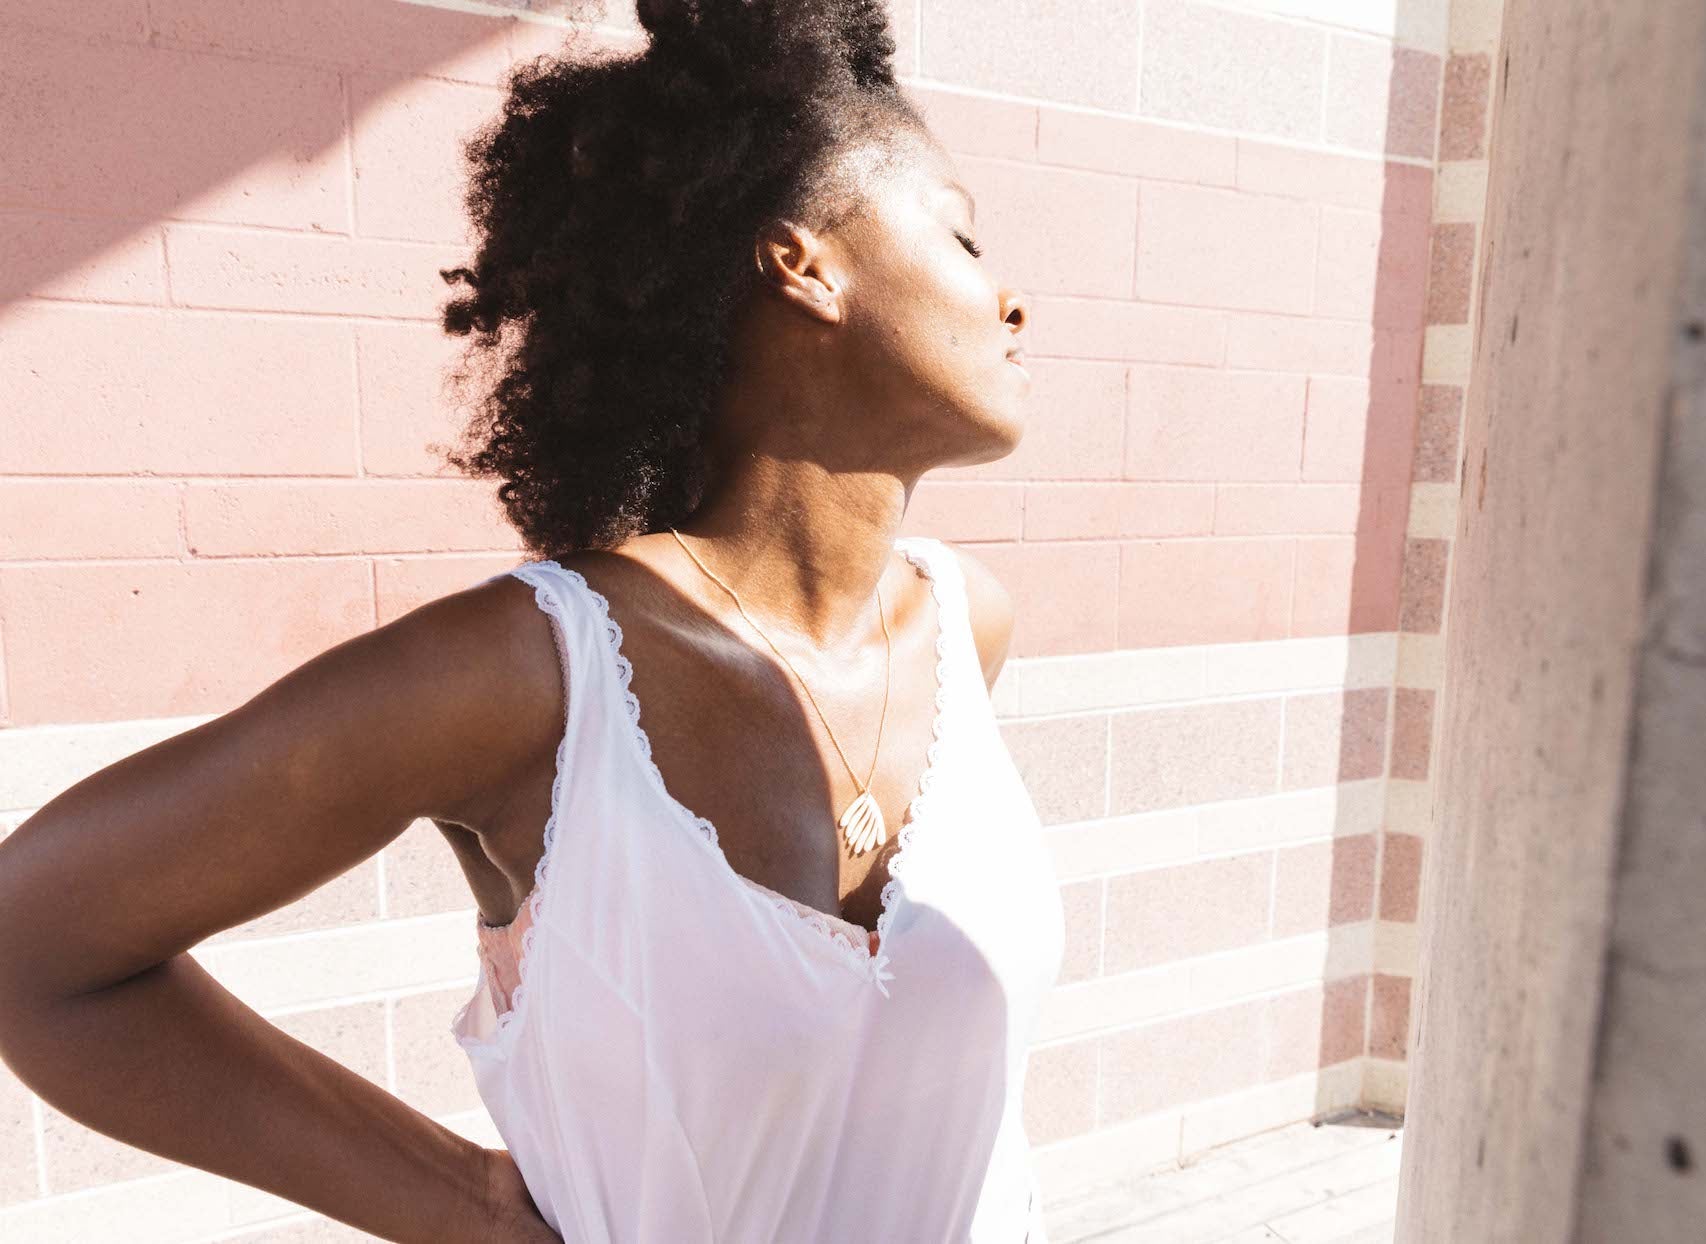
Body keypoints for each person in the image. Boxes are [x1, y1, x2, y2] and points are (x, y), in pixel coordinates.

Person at [0, 0, 1063, 1239]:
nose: (1012, 301)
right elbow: (39, 944)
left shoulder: (964, 626)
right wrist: (467, 1206)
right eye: (962, 236)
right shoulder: (536, 676)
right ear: (804, 263)